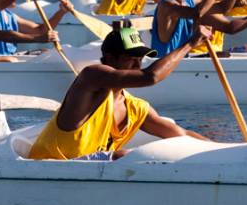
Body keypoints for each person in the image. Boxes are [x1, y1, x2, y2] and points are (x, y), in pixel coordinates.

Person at [28, 20, 211, 160]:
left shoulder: (136, 108)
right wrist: (189, 44)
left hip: (88, 172)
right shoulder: (91, 76)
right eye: (131, 57)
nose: (137, 64)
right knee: (127, 156)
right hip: (49, 167)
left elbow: (183, 135)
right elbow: (151, 77)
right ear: (109, 58)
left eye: (141, 58)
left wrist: (225, 149)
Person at [150, 0, 231, 56]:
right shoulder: (166, 5)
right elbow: (197, 13)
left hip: (181, 61)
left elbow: (222, 8)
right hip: (164, 64)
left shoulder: (189, 1)